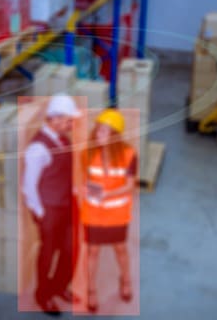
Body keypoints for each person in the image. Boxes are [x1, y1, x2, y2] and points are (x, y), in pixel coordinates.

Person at [22, 94, 81, 316]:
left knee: (71, 248)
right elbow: (29, 187)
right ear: (54, 119)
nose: (71, 124)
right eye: (68, 120)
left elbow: (64, 171)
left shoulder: (63, 139)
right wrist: (40, 213)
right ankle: (43, 295)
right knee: (48, 253)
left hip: (67, 204)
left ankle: (59, 286)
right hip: (50, 210)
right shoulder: (38, 149)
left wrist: (74, 192)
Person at [80, 109, 137, 313]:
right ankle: (91, 290)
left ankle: (126, 280)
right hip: (93, 213)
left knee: (120, 248)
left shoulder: (129, 154)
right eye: (98, 130)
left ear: (115, 134)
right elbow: (86, 181)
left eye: (104, 131)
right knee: (92, 251)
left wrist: (106, 195)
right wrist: (84, 189)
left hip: (117, 214)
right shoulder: (87, 153)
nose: (98, 134)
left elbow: (130, 186)